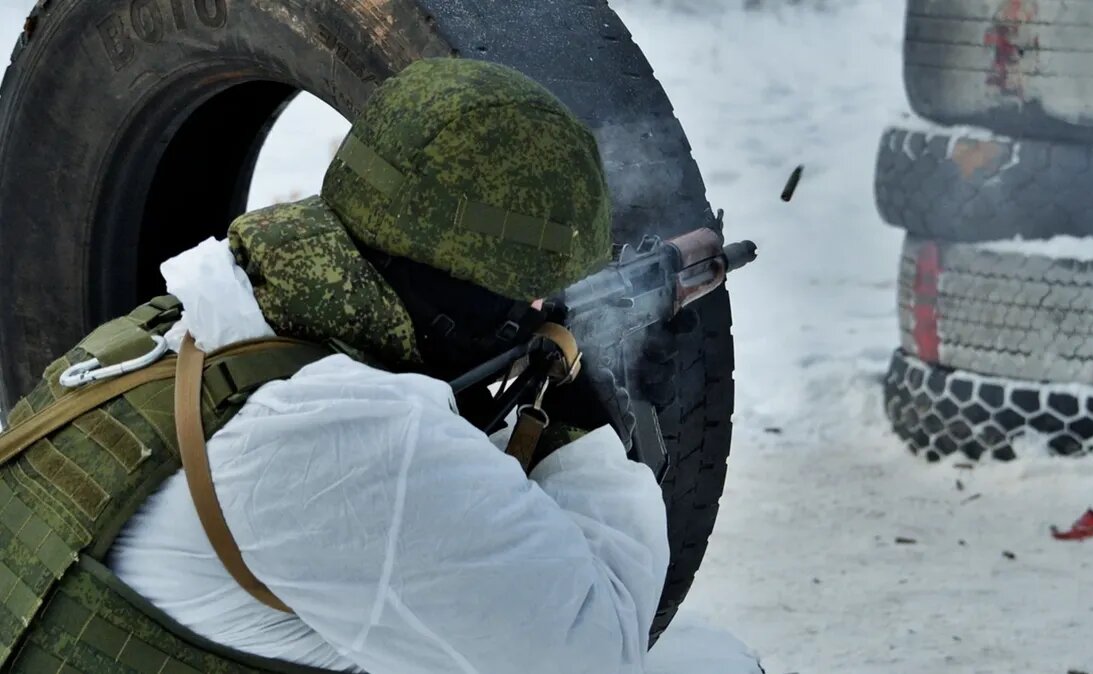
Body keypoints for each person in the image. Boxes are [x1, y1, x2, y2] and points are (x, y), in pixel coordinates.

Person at [0, 58, 761, 672]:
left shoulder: (224, 313)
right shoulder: (360, 438)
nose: (537, 314)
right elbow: (593, 656)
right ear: (467, 290)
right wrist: (582, 423)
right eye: (532, 298)